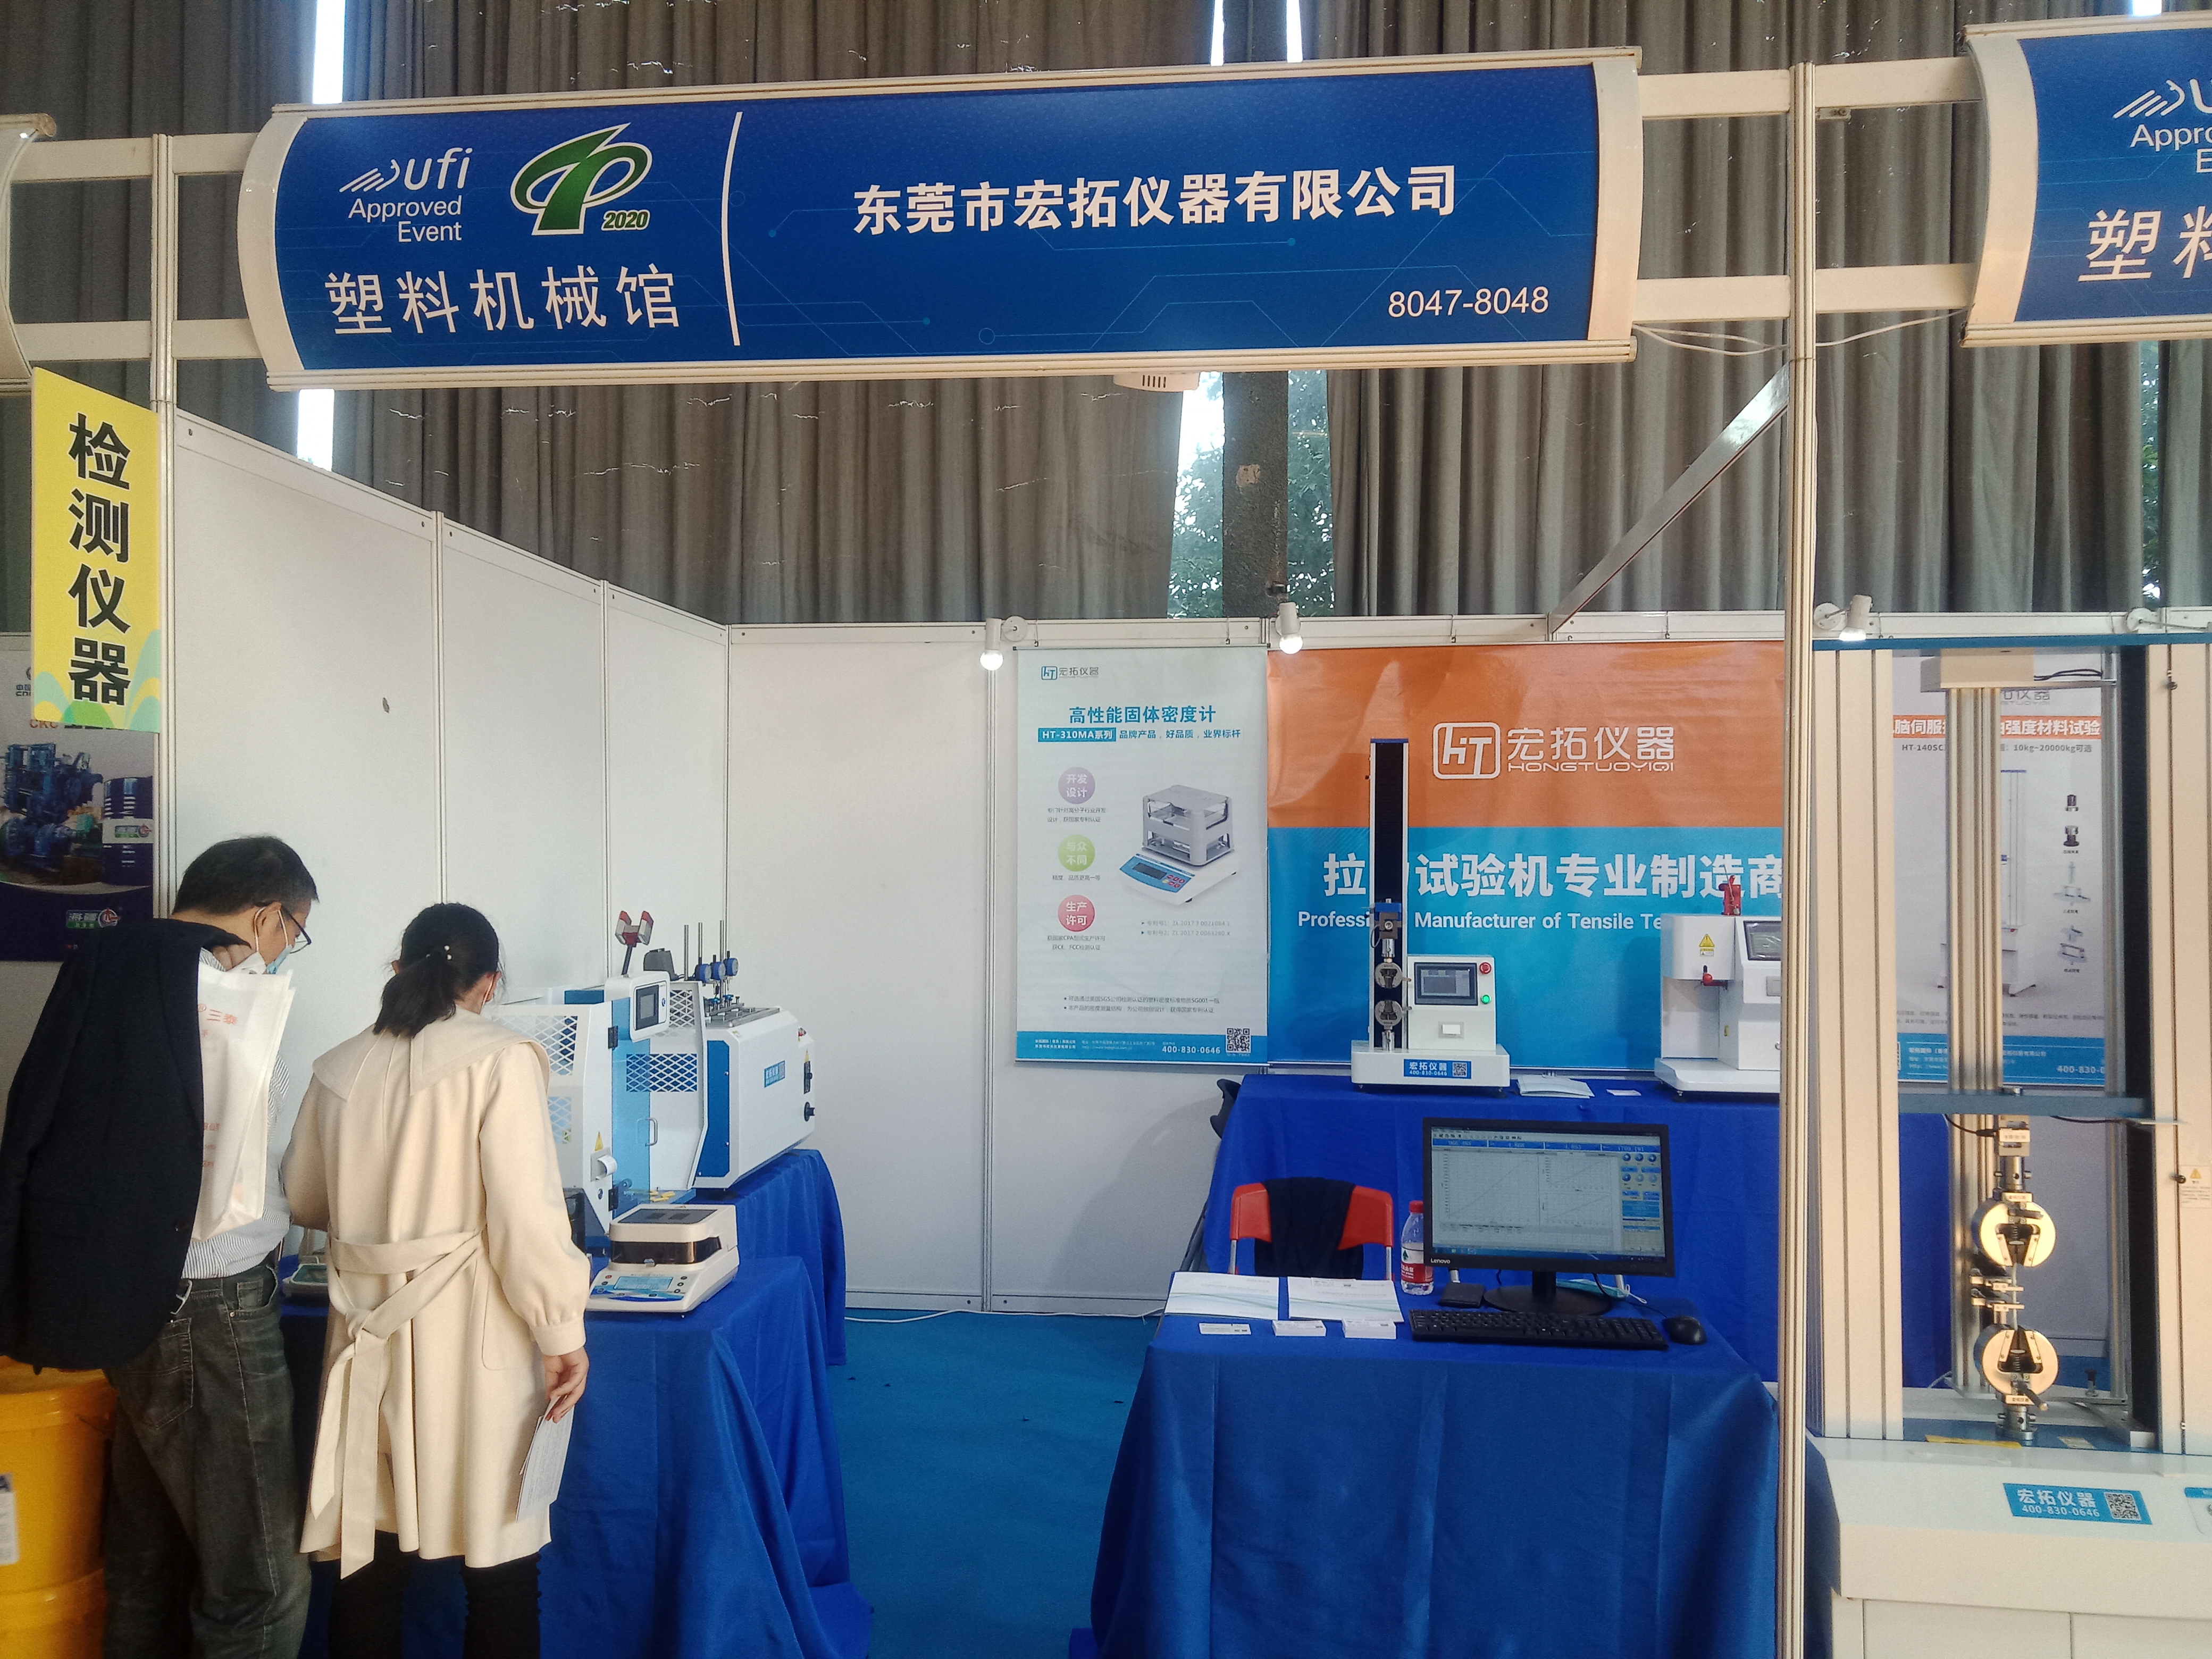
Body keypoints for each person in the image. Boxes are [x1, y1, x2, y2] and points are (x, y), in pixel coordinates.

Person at [0, 834, 318, 1659]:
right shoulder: (228, 998)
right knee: (261, 1581)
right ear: (267, 915)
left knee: (148, 1560)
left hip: (118, 1294)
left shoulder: (103, 967)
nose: (285, 951)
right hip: (209, 1306)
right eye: (294, 932)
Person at [284, 902, 589, 1658]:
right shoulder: (502, 1059)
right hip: (469, 1341)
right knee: (501, 1561)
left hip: (363, 1330)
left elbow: (306, 1199)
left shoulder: (336, 1067)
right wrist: (562, 1332)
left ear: (398, 969)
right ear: (489, 984)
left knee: (367, 1559)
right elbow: (527, 1221)